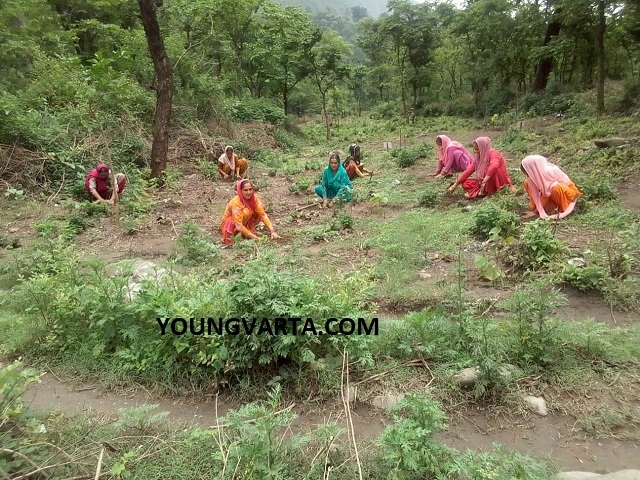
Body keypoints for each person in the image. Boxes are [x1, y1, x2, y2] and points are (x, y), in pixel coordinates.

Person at [447, 136, 516, 198]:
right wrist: (455, 185)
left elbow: (494, 166)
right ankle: (483, 190)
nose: (475, 151)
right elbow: (468, 171)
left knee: (492, 170)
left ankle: (492, 191)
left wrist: (485, 180)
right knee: (465, 183)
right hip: (484, 182)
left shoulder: (493, 153)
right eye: (474, 149)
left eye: (477, 149)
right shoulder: (478, 158)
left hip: (497, 180)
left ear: (483, 147)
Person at [521, 155, 583, 220]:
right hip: (550, 196)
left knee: (555, 187)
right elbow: (542, 193)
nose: (528, 175)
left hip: (568, 195)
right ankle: (547, 209)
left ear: (534, 168)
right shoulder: (534, 175)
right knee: (527, 183)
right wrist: (537, 210)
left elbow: (547, 191)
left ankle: (565, 208)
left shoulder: (551, 171)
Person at [220, 179, 280, 245]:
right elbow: (239, 226)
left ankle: (249, 230)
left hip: (242, 224)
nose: (249, 192)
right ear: (240, 191)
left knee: (261, 207)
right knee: (246, 212)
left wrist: (272, 231)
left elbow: (263, 215)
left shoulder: (254, 199)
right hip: (230, 226)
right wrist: (256, 239)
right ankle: (237, 235)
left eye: (250, 189)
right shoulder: (236, 202)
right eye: (245, 190)